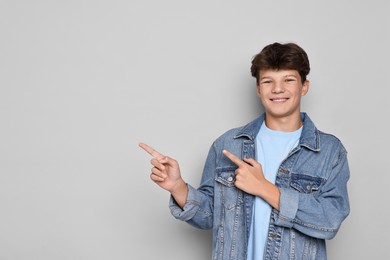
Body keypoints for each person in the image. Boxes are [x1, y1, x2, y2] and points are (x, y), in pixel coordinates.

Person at [139, 42, 350, 260]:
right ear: (259, 89)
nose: (278, 89)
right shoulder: (228, 144)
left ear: (304, 86)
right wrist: (178, 187)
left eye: (288, 80)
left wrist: (264, 188)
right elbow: (209, 216)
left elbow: (330, 220)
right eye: (268, 81)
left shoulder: (328, 151)